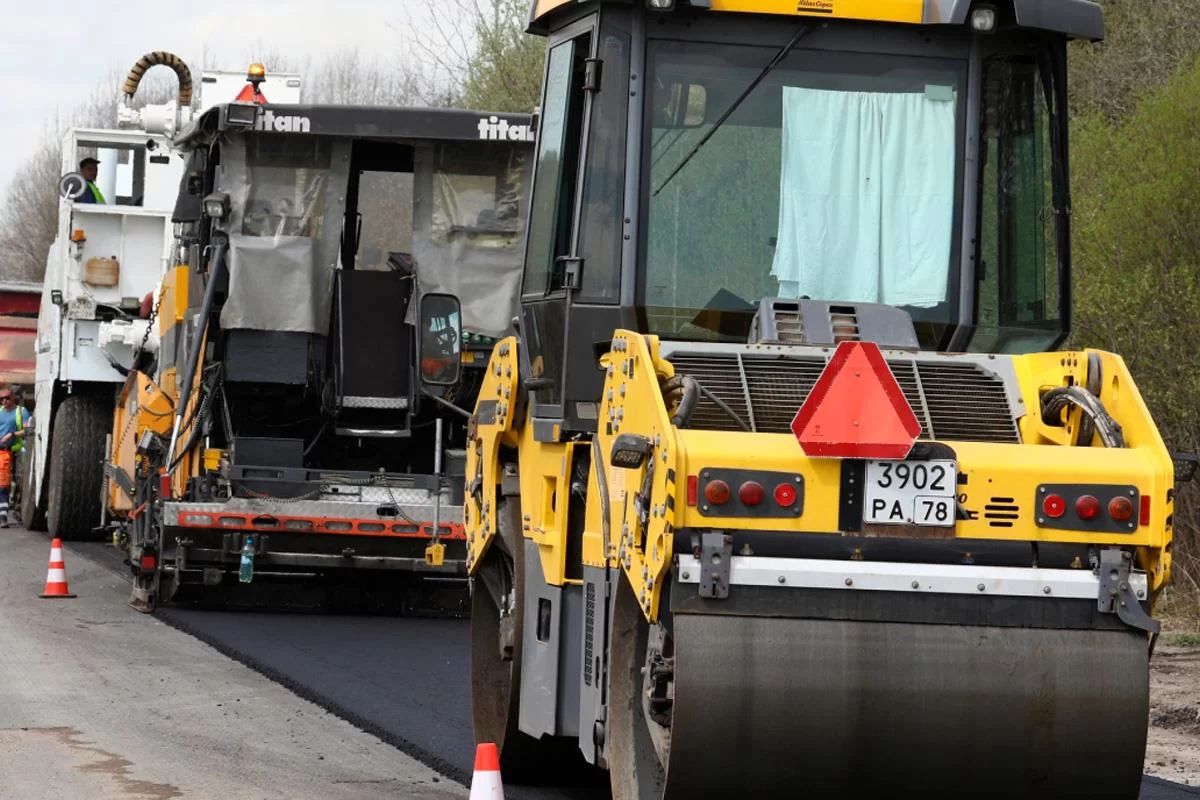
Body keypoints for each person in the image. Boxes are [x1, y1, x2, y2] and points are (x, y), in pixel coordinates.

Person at [0, 386, 28, 527]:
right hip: (3, 452)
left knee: (17, 482)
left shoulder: (21, 412)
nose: (4, 401)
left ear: (13, 398)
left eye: (7, 398)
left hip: (17, 452)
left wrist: (12, 434)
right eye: (1, 399)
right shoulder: (0, 412)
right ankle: (3, 514)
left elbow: (27, 430)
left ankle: (16, 507)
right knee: (3, 483)